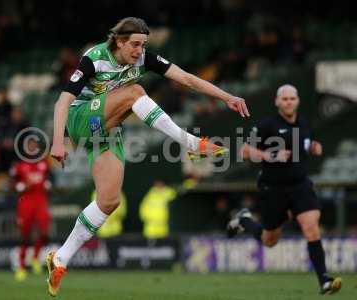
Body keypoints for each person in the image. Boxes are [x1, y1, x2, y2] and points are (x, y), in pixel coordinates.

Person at [46, 17, 249, 297]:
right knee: (136, 92)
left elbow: (187, 79)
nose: (140, 51)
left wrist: (227, 97)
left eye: (143, 45)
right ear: (119, 41)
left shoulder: (143, 59)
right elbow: (63, 101)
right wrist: (58, 141)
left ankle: (60, 259)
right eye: (135, 45)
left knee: (109, 201)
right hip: (81, 119)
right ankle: (188, 141)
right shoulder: (94, 58)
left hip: (107, 129)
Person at [227, 84, 341, 295]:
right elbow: (244, 151)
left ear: (298, 101)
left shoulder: (304, 124)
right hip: (273, 188)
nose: (288, 102)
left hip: (300, 186)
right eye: (285, 99)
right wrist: (269, 155)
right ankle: (244, 220)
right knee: (269, 240)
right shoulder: (267, 125)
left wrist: (312, 146)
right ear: (277, 102)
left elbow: (301, 145)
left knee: (311, 227)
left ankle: (324, 280)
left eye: (292, 98)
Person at [11, 138, 51, 281]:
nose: (32, 148)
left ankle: (35, 258)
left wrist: (47, 184)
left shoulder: (44, 164)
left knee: (44, 230)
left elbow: (47, 179)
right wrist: (22, 187)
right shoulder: (20, 166)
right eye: (30, 146)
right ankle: (21, 266)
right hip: (26, 202)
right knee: (24, 235)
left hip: (40, 200)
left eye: (34, 146)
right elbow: (14, 184)